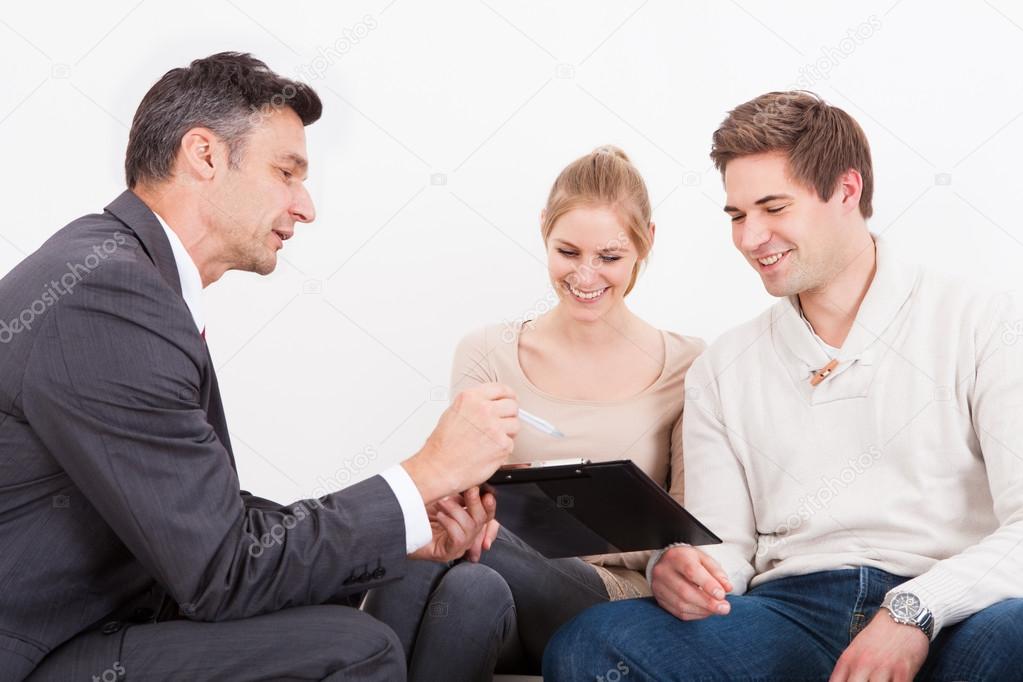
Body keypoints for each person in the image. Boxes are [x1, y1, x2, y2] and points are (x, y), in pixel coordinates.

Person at [0, 52, 520, 682]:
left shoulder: (125, 274)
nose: (306, 207)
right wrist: (424, 473)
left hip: (97, 618)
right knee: (353, 647)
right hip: (37, 649)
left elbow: (206, 522)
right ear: (205, 155)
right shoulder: (107, 295)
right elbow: (221, 571)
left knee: (410, 584)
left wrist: (406, 521)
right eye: (286, 172)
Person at [543, 91, 1023, 681]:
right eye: (738, 216)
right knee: (594, 642)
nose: (750, 238)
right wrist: (680, 566)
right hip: (792, 614)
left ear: (847, 191)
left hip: (951, 611)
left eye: (773, 208)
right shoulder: (725, 367)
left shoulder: (981, 322)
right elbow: (726, 547)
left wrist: (913, 611)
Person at [364, 145, 705, 679]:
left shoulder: (688, 365)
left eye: (609, 257)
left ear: (646, 245)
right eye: (568, 252)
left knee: (471, 549)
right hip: (491, 584)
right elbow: (452, 499)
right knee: (467, 584)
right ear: (543, 229)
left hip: (608, 599)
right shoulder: (485, 352)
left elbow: (688, 531)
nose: (586, 276)